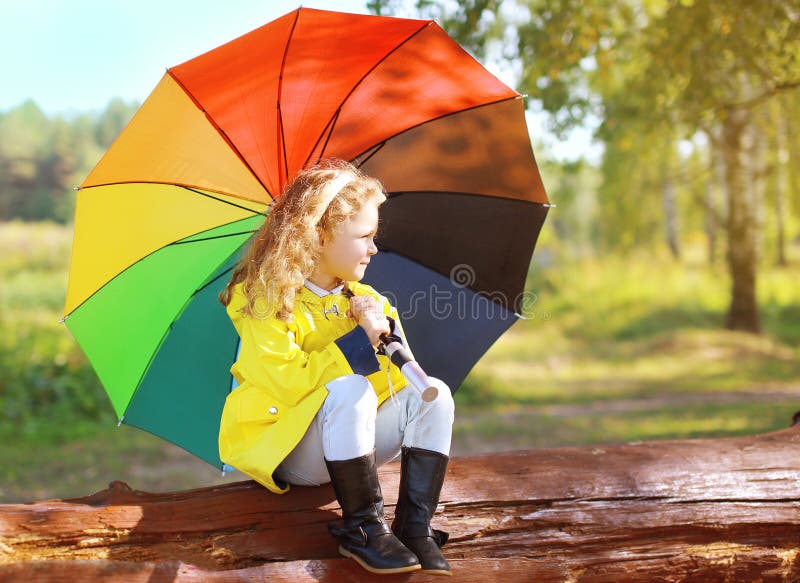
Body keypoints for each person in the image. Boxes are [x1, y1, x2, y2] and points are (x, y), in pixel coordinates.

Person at [217, 159, 455, 576]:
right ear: (319, 237)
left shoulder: (368, 302)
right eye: (364, 236)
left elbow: (397, 389)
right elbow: (289, 383)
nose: (374, 248)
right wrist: (356, 344)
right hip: (289, 446)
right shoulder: (263, 299)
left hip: (349, 444)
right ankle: (362, 529)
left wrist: (389, 342)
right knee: (351, 389)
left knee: (433, 392)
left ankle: (414, 527)